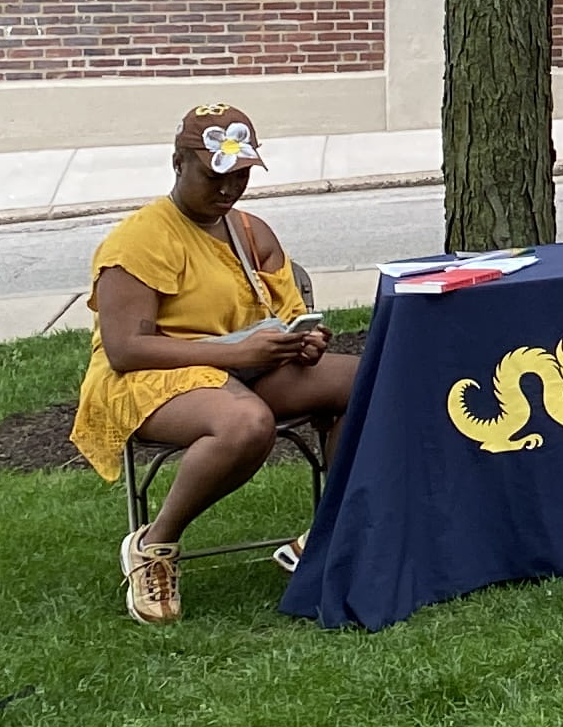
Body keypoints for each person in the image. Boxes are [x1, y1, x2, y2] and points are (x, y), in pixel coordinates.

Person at [75, 105, 356, 623]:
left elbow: (289, 313)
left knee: (369, 382)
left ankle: (328, 535)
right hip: (149, 379)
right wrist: (232, 354)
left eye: (241, 177)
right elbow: (125, 350)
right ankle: (154, 546)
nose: (228, 191)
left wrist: (306, 340)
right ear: (178, 163)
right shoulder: (138, 241)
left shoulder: (252, 233)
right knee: (247, 424)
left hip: (245, 367)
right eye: (214, 177)